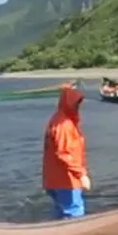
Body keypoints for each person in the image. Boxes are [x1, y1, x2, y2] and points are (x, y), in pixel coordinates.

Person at [42, 85, 90, 219]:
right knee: (74, 213)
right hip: (66, 180)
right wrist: (81, 175)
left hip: (54, 179)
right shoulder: (64, 125)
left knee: (61, 212)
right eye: (76, 103)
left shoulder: (59, 119)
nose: (78, 107)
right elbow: (63, 153)